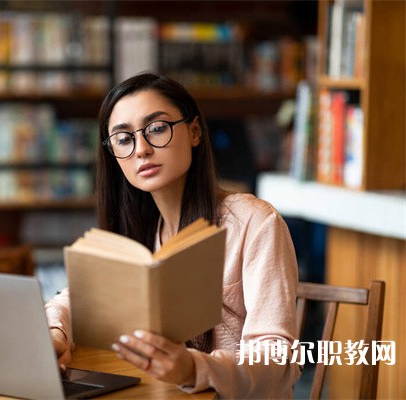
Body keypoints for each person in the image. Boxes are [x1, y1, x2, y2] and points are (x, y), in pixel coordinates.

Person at [45, 72, 301, 398]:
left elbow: (279, 360)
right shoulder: (137, 231)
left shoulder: (254, 221)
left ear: (194, 132)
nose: (142, 149)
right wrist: (56, 333)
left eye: (156, 129)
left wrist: (193, 368)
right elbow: (73, 300)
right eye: (124, 139)